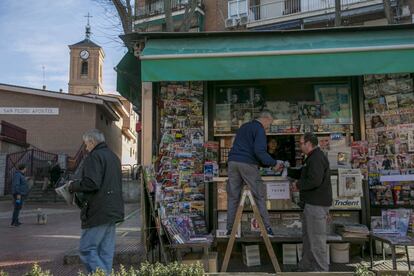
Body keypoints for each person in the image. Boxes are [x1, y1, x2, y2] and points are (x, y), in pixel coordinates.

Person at [68, 129, 124, 275]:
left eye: (86, 144)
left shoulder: (94, 157)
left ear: (92, 142)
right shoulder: (113, 157)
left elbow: (92, 183)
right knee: (105, 252)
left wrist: (73, 186)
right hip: (113, 210)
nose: (86, 148)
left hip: (98, 210)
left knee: (87, 249)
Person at [227, 111, 283, 237]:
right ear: (266, 119)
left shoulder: (244, 127)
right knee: (259, 194)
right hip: (247, 164)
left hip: (232, 162)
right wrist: (274, 163)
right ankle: (267, 229)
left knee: (233, 197)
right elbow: (260, 151)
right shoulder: (259, 129)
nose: (269, 126)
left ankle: (231, 230)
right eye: (270, 123)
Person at [297, 133, 332, 272]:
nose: (300, 146)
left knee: (316, 240)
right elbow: (306, 174)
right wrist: (288, 171)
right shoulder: (312, 157)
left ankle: (321, 270)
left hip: (316, 205)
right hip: (311, 203)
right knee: (308, 239)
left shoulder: (316, 158)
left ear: (308, 143)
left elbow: (314, 180)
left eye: (301, 143)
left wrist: (298, 185)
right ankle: (306, 267)